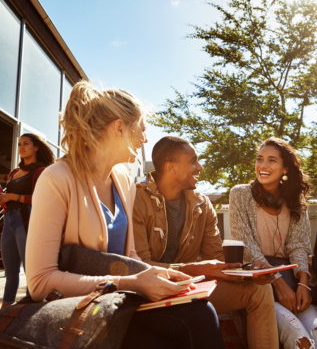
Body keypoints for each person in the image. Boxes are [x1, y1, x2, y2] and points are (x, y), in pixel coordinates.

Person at [26, 81, 225, 349]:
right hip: (79, 311)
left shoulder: (123, 180)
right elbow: (40, 283)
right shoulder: (56, 180)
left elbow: (128, 257)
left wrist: (158, 273)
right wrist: (130, 282)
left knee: (200, 313)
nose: (144, 139)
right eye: (141, 130)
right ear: (119, 127)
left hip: (118, 301)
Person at [133, 136, 279, 349]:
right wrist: (194, 269)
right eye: (193, 161)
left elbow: (217, 260)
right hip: (148, 293)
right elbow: (139, 266)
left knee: (258, 290)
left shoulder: (201, 205)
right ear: (170, 167)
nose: (199, 167)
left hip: (187, 289)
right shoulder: (136, 199)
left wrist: (248, 271)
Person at [229, 138, 317, 349]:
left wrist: (303, 284)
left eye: (271, 160)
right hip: (260, 286)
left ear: (285, 168)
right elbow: (247, 247)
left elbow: (299, 246)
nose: (263, 165)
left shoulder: (296, 200)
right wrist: (278, 283)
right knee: (300, 338)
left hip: (293, 282)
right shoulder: (240, 194)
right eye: (260, 159)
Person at [0, 133, 55, 309]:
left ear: (36, 147)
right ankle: (5, 310)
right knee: (10, 271)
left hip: (27, 220)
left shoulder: (41, 171)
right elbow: (10, 198)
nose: (21, 147)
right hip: (8, 220)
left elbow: (41, 198)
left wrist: (12, 196)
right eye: (19, 144)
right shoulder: (13, 172)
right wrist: (2, 198)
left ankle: (30, 308)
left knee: (30, 268)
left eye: (26, 144)